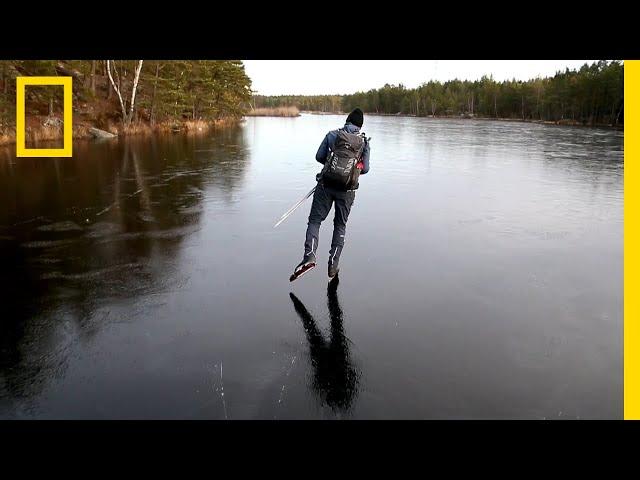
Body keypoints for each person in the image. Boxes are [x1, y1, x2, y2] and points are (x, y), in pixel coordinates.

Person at [291, 108, 370, 280]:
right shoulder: (363, 143)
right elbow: (366, 169)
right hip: (347, 191)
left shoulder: (333, 135)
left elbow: (319, 157)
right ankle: (333, 265)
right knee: (340, 225)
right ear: (360, 125)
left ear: (347, 120)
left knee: (315, 221)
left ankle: (310, 256)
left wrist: (332, 163)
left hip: (325, 186)